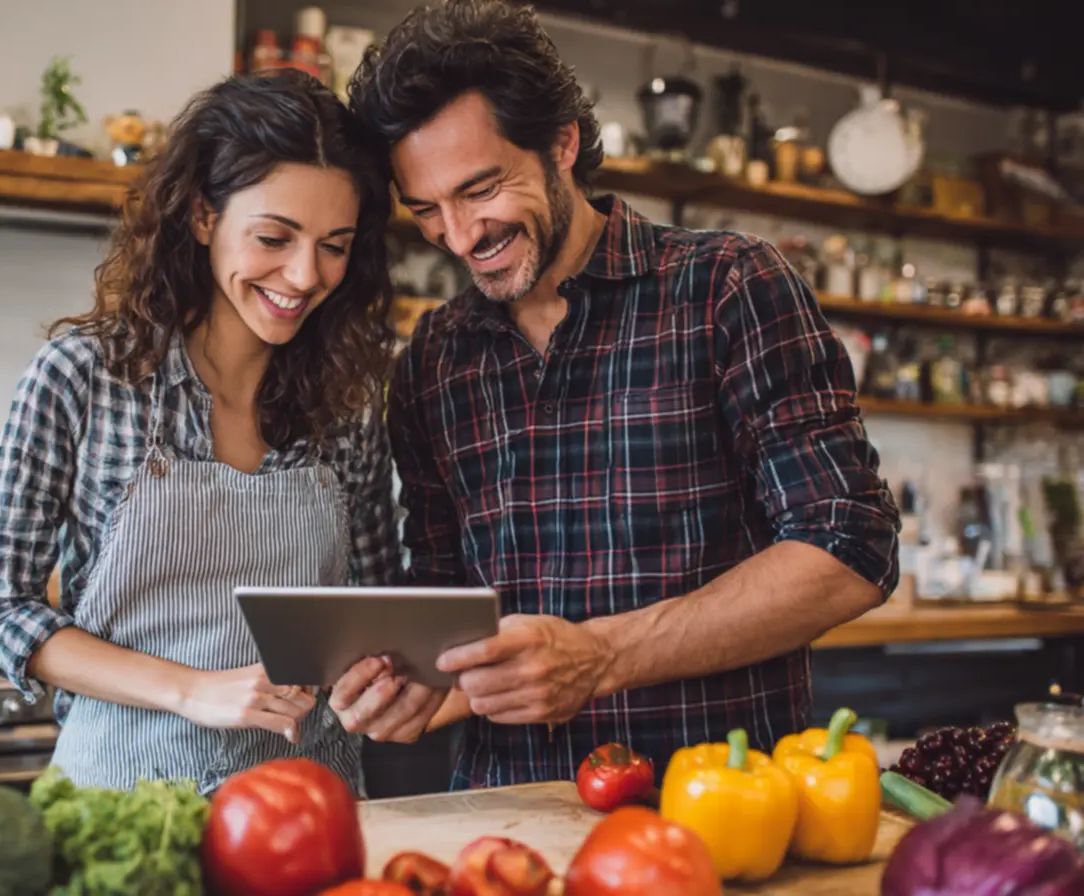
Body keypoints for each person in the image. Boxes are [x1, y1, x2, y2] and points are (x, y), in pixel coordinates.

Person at [330, 0, 902, 789]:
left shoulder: (728, 287)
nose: (460, 237)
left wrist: (599, 658)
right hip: (507, 827)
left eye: (482, 189)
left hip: (717, 812)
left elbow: (851, 548)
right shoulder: (432, 359)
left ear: (562, 141)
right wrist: (413, 678)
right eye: (426, 210)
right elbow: (447, 601)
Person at [0, 68, 401, 796]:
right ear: (201, 216)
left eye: (334, 245)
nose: (303, 273)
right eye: (274, 236)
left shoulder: (346, 403)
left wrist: (387, 670)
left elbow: (375, 611)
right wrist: (191, 690)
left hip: (304, 813)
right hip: (120, 807)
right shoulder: (84, 376)